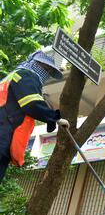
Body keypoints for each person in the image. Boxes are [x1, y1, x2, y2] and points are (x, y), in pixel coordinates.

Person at [0, 50, 69, 183]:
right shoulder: (27, 75)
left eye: (49, 71)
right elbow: (31, 103)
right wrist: (56, 118)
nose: (47, 74)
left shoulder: (12, 76)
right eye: (47, 69)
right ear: (37, 65)